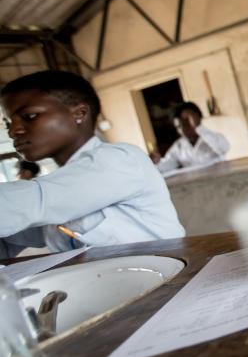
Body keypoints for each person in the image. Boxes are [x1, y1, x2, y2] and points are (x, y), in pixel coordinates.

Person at [0, 70, 184, 259]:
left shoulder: (119, 160)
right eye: (7, 123)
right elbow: (13, 232)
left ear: (79, 114)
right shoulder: (63, 186)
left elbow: (31, 202)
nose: (14, 131)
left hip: (171, 280)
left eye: (29, 116)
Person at [152, 101, 230, 173]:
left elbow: (223, 148)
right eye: (179, 127)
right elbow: (166, 166)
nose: (182, 130)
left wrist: (199, 127)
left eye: (186, 124)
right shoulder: (178, 146)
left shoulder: (214, 138)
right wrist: (154, 162)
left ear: (198, 119)